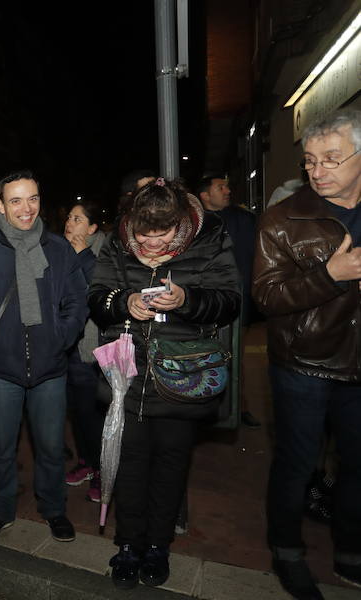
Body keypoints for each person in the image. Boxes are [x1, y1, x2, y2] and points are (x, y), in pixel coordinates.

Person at [88, 177, 240, 589]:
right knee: (131, 465)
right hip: (130, 374)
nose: (152, 246)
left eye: (164, 235)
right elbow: (97, 295)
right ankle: (128, 545)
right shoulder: (117, 242)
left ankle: (158, 546)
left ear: (180, 222)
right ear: (131, 223)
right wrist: (124, 302)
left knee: (171, 465)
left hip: (183, 375)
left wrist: (187, 300)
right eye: (144, 235)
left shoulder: (209, 237)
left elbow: (229, 300)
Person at [253, 108, 361, 597]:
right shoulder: (283, 218)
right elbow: (267, 296)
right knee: (297, 462)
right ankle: (286, 551)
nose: (318, 171)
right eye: (312, 161)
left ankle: (351, 550)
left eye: (332, 159)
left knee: (357, 463)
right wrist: (329, 276)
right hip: (304, 364)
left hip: (358, 362)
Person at [0, 170, 88, 544]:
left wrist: (60, 337)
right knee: (1, 447)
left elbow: (77, 301)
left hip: (50, 367)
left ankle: (54, 509)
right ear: (0, 205)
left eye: (32, 198)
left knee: (49, 447)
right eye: (16, 200)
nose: (26, 208)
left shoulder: (59, 249)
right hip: (1, 367)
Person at [196, 175, 261, 429]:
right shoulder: (193, 222)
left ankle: (239, 408)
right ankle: (205, 408)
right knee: (204, 356)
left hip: (240, 300)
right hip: (204, 303)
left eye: (227, 186)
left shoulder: (245, 220)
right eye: (220, 187)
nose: (227, 190)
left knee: (236, 357)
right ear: (204, 195)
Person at [62, 200, 107, 503]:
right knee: (77, 411)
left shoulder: (103, 252)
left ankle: (103, 468)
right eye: (68, 216)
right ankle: (85, 462)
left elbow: (100, 292)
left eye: (77, 218)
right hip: (68, 346)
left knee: (95, 413)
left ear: (92, 228)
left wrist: (82, 255)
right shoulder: (60, 250)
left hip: (93, 346)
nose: (69, 222)